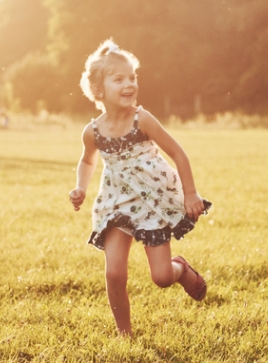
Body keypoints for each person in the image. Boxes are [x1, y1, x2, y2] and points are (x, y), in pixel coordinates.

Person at [69, 40, 211, 336]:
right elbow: (87, 161)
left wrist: (190, 193)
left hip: (152, 202)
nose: (128, 84)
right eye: (118, 79)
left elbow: (177, 153)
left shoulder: (142, 119)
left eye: (132, 78)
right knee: (114, 271)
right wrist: (80, 187)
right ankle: (125, 333)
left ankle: (180, 269)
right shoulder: (92, 131)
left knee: (160, 277)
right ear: (99, 89)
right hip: (116, 202)